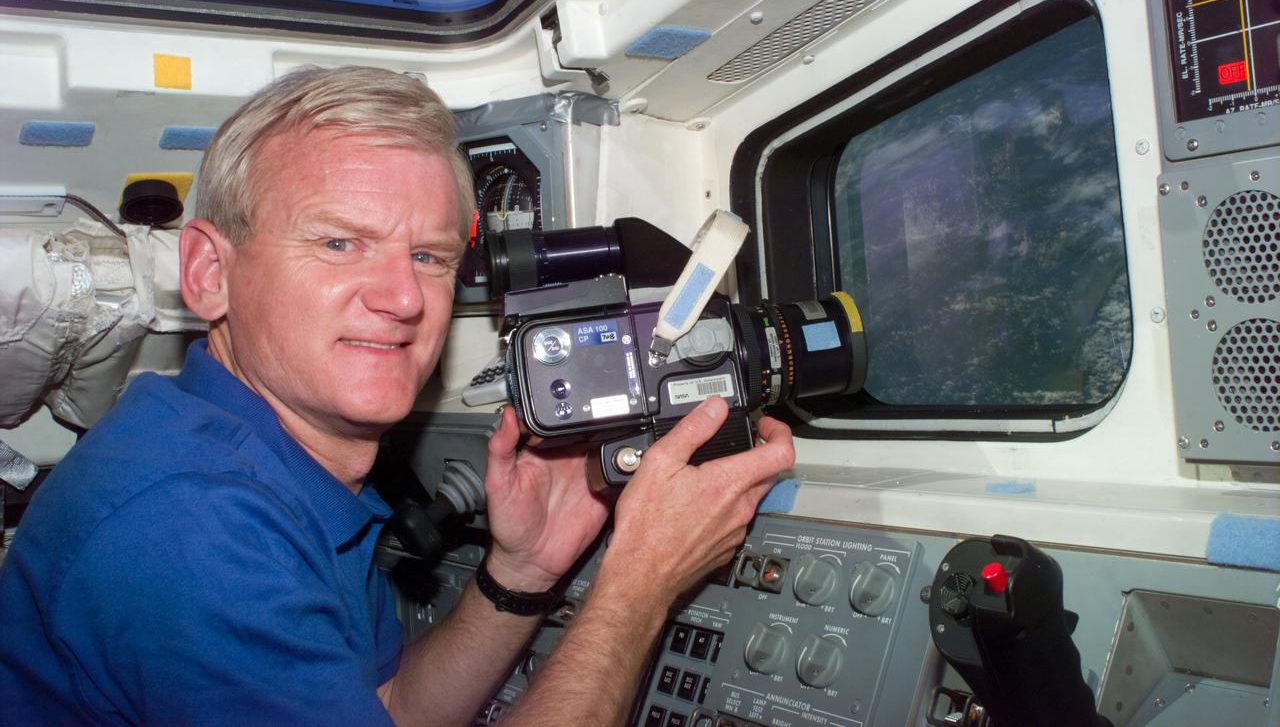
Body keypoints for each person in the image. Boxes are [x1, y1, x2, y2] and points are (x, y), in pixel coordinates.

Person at [0, 66, 795, 726]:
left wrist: (523, 570)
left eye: (429, 256)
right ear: (211, 273)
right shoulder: (188, 523)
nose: (404, 298)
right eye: (340, 242)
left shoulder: (274, 465)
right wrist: (640, 580)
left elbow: (389, 707)